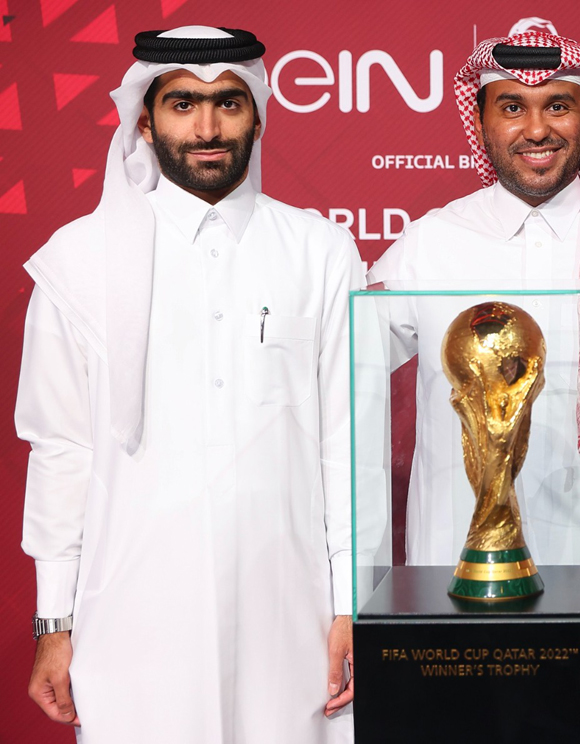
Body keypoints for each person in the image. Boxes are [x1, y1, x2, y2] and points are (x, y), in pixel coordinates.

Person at [367, 30, 580, 742]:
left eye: (558, 106)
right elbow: (342, 368)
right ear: (481, 119)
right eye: (512, 107)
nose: (536, 129)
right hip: (460, 582)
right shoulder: (431, 244)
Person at [16, 26, 360, 743]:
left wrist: (352, 602)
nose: (206, 127)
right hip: (131, 623)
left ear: (258, 115)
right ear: (144, 118)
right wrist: (55, 621)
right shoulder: (77, 265)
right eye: (182, 104)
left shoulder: (320, 252)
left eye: (228, 104)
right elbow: (60, 452)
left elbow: (346, 445)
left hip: (290, 618)